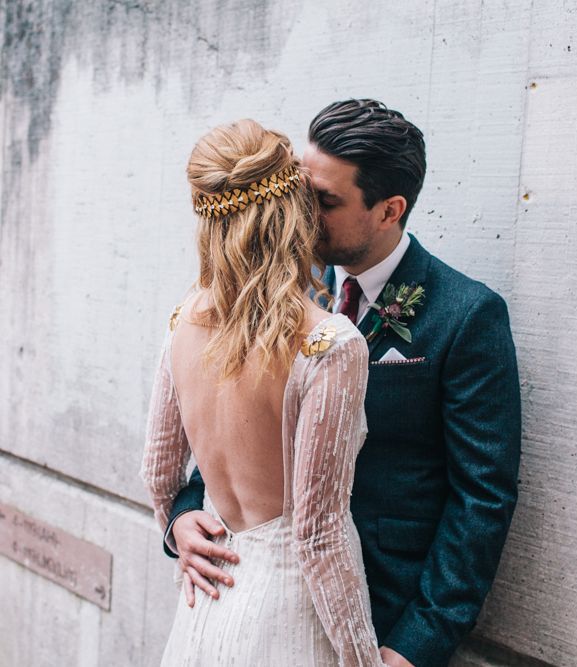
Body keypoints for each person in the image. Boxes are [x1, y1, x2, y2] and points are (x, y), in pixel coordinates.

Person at [164, 100, 522, 667]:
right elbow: (228, 422)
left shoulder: (466, 315)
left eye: (324, 202)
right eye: (301, 191)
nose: (299, 214)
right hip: (263, 601)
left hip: (384, 617)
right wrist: (183, 515)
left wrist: (417, 644)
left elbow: (482, 497)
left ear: (389, 209)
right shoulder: (275, 294)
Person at [140, 118, 385, 666]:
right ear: (292, 211)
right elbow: (319, 536)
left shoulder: (183, 321)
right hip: (289, 618)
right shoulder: (328, 343)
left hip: (205, 602)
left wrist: (178, 528)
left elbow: (158, 477)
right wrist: (362, 660)